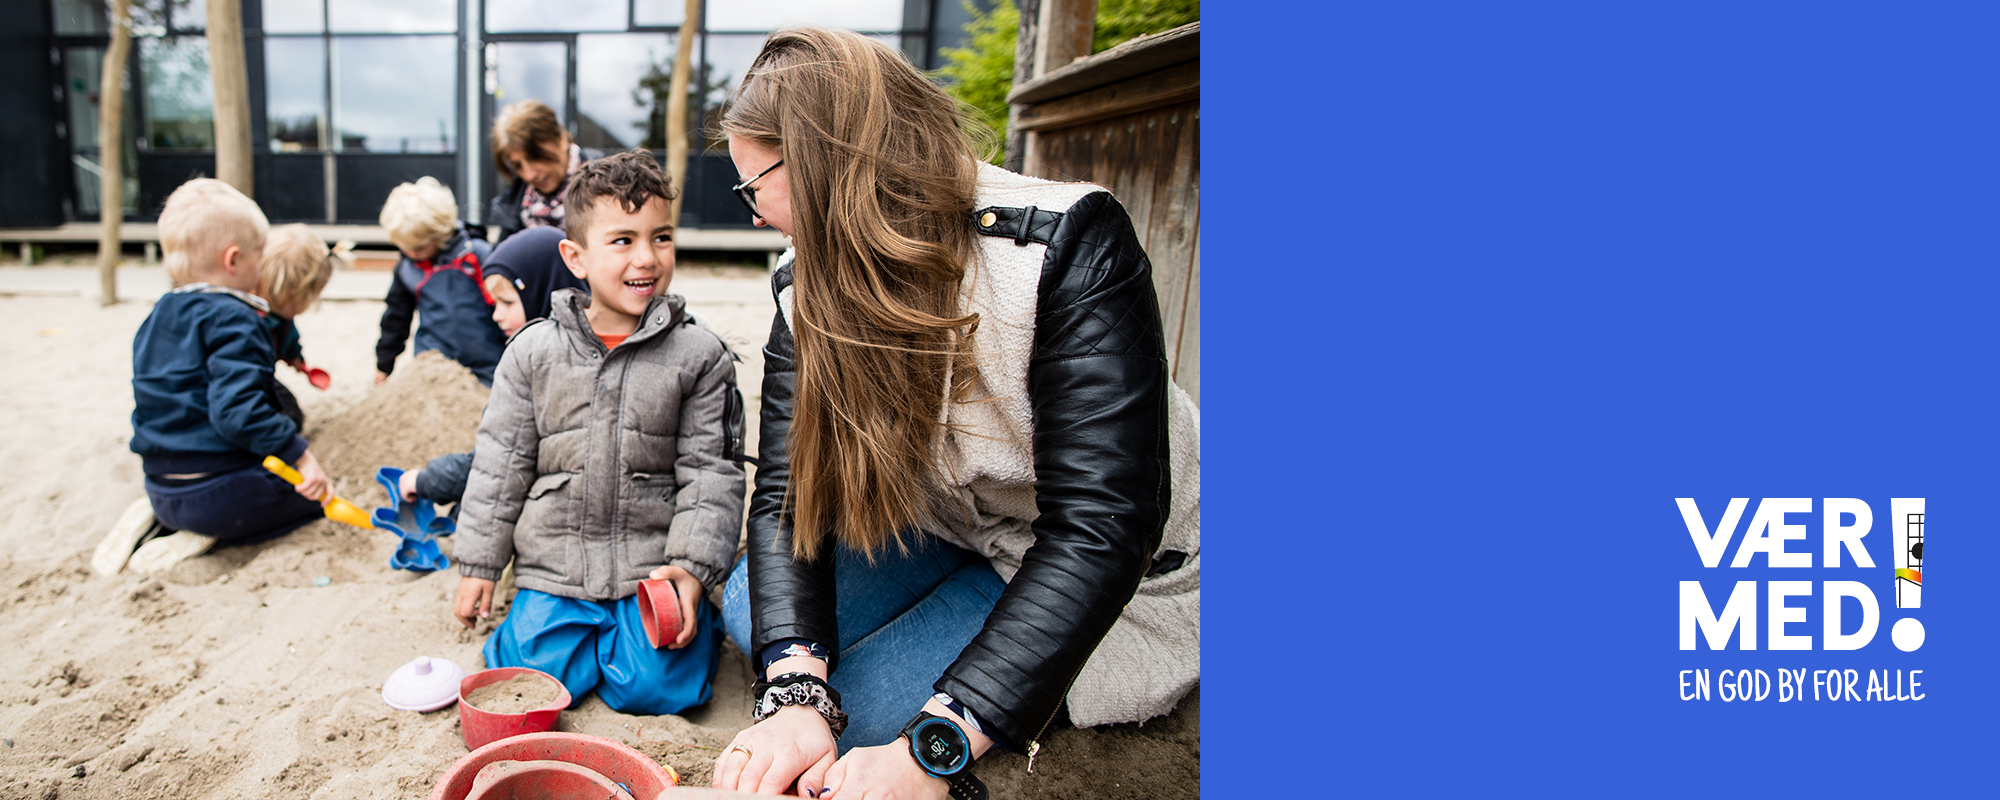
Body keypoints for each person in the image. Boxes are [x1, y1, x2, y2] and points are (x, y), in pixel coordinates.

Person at [713, 28, 1201, 799]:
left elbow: (1103, 526)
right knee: (755, 613)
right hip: (954, 528)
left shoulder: (1067, 244)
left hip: (1108, 566)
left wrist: (932, 749)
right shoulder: (804, 280)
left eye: (753, 189)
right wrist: (797, 693)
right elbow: (788, 491)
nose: (753, 217)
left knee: (870, 721)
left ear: (819, 163)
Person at [451, 150, 747, 716]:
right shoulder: (533, 352)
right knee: (533, 679)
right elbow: (500, 463)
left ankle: (685, 630)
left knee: (658, 690)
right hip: (554, 567)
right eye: (623, 240)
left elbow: (711, 473)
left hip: (649, 567)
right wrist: (480, 566)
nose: (647, 257)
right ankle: (564, 633)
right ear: (575, 257)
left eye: (661, 237)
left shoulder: (699, 355)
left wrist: (690, 570)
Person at [92, 179, 335, 577]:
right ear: (233, 260)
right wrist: (301, 456)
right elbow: (237, 413)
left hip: (159, 484)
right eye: (259, 256)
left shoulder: (157, 316)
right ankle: (206, 534)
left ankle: (155, 514)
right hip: (213, 497)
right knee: (312, 501)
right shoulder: (237, 320)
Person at [394, 224, 589, 510]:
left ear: (541, 292)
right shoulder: (575, 348)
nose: (496, 315)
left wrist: (426, 480)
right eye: (494, 303)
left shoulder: (541, 370)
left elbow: (496, 461)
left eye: (507, 302)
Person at [374, 176, 507, 386]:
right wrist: (384, 364)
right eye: (404, 248)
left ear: (440, 234)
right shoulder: (407, 269)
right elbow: (396, 319)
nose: (411, 254)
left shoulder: (477, 256)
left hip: (487, 361)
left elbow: (507, 303)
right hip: (433, 365)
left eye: (419, 248)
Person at [254, 223, 340, 428]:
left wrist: (295, 356)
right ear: (293, 294)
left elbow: (289, 337)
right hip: (241, 380)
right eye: (311, 298)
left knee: (293, 414)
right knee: (285, 417)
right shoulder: (251, 322)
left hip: (261, 375)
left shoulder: (282, 314)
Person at [488, 100, 604, 244]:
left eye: (535, 157)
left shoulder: (610, 183)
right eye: (517, 165)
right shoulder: (513, 205)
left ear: (561, 140)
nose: (529, 175)